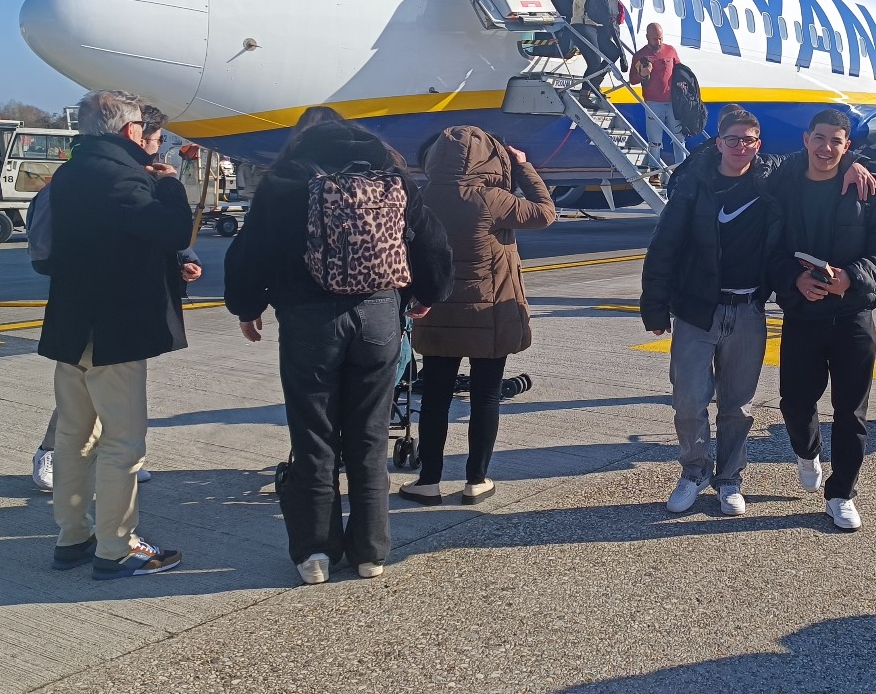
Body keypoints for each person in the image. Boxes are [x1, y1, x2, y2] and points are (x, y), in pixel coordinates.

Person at [224, 118, 452, 584]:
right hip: (379, 315)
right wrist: (427, 294)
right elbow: (432, 243)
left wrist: (247, 307)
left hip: (309, 319)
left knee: (315, 435)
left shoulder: (285, 182)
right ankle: (370, 552)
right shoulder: (392, 179)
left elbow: (250, 251)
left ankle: (315, 554)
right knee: (370, 434)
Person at [642, 106, 876, 516]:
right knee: (689, 401)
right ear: (718, 143)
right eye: (732, 139)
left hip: (748, 309)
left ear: (758, 145)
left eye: (748, 140)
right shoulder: (694, 184)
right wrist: (655, 307)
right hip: (698, 309)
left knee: (737, 406)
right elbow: (664, 246)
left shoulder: (770, 178)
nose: (741, 147)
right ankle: (694, 472)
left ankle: (730, 479)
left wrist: (853, 161)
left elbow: (822, 152)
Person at [38, 90, 192, 579]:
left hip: (71, 324)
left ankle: (72, 536)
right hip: (114, 329)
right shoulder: (123, 177)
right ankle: (116, 547)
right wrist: (171, 187)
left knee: (73, 436)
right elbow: (172, 231)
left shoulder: (70, 173)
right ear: (130, 130)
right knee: (123, 443)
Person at [398, 127, 555, 508]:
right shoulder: (492, 199)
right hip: (489, 316)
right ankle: (475, 480)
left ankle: (428, 481)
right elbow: (545, 213)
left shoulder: (420, 196)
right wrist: (523, 168)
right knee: (485, 397)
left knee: (434, 398)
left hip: (435, 311)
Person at [768, 109, 876, 531]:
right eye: (820, 138)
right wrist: (793, 281)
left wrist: (852, 278)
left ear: (848, 146)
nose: (826, 148)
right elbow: (767, 250)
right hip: (803, 315)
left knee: (851, 412)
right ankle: (807, 451)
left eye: (836, 142)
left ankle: (842, 493)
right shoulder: (782, 186)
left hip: (852, 316)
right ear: (806, 140)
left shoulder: (869, 190)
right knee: (795, 402)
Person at [630, 23, 687, 163]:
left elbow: (679, 70)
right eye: (655, 39)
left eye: (660, 38)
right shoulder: (640, 55)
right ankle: (654, 169)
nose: (658, 42)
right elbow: (632, 80)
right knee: (655, 142)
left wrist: (681, 81)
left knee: (679, 139)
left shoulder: (670, 51)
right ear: (647, 37)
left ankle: (682, 168)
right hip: (653, 104)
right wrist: (642, 75)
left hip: (672, 103)